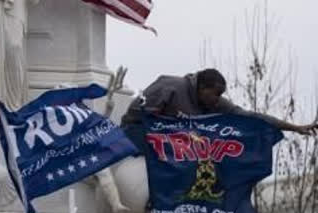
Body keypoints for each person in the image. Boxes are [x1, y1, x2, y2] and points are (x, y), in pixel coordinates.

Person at [121, 68, 318, 154]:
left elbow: (251, 117)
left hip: (170, 140)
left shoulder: (215, 103)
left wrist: (295, 127)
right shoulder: (170, 86)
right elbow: (139, 114)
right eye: (215, 94)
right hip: (136, 130)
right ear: (202, 88)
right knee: (174, 152)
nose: (218, 100)